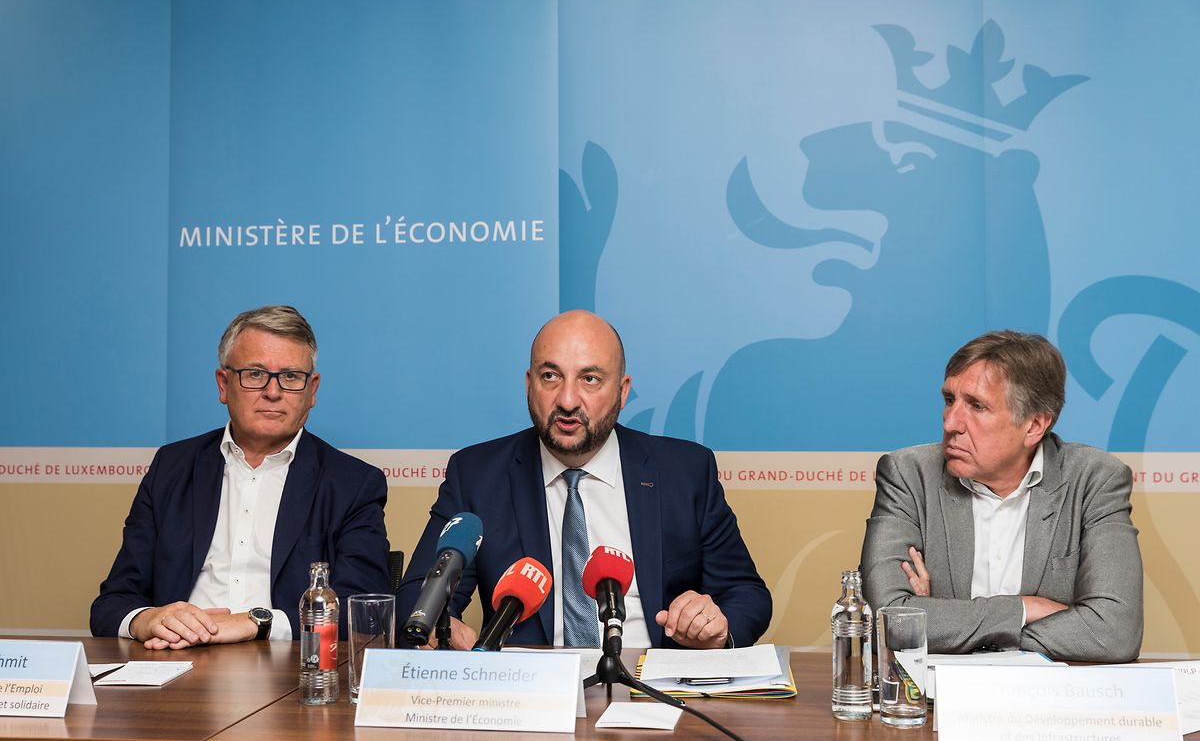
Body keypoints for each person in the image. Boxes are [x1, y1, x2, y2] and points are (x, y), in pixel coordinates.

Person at [398, 310, 771, 650]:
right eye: (550, 376)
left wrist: (716, 625)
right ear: (529, 384)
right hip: (530, 692)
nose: (567, 399)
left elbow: (746, 594)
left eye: (590, 379)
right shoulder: (477, 474)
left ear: (622, 391)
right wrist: (438, 624)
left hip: (652, 687)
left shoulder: (685, 471)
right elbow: (416, 594)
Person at [91, 305, 390, 649]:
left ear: (313, 390)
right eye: (255, 374)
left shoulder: (352, 484)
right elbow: (111, 604)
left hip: (289, 670)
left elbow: (363, 613)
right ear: (223, 384)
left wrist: (255, 623)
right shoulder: (171, 468)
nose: (273, 392)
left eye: (291, 377)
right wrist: (147, 620)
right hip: (175, 660)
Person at [860, 330, 1143, 662]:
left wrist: (945, 622)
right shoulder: (908, 474)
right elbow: (890, 620)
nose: (951, 422)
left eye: (977, 406)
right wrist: (1025, 608)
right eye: (949, 400)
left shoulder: (1095, 479)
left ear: (1035, 425)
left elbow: (1114, 633)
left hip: (1049, 702)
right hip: (938, 701)